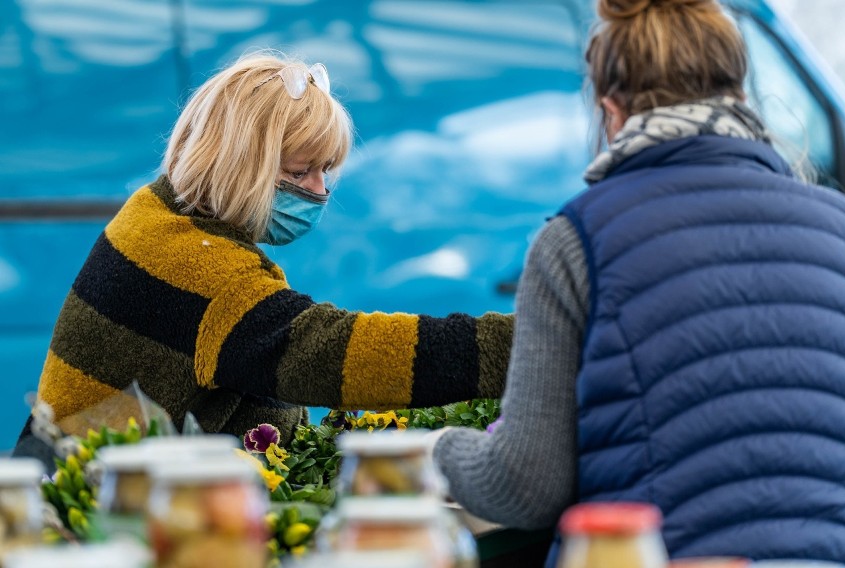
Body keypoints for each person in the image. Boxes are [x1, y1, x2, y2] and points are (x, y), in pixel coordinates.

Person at [432, 0, 845, 565]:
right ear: (742, 98)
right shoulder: (842, 227)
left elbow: (524, 487)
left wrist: (436, 452)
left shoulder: (577, 237)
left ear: (611, 112)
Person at [13, 51, 512, 463]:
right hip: (90, 523)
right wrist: (520, 344)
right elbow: (329, 353)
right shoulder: (193, 264)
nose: (319, 192)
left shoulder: (157, 217)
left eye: (325, 171)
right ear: (237, 164)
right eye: (299, 173)